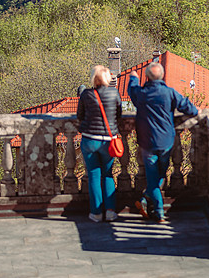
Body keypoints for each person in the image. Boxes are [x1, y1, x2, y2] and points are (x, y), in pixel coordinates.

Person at [128, 62, 198, 222]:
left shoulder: (141, 93)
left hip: (147, 142)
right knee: (160, 175)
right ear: (162, 76)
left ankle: (146, 200)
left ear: (147, 77)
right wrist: (197, 111)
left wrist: (133, 77)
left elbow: (131, 89)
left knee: (155, 176)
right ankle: (159, 211)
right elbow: (187, 106)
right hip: (166, 141)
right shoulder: (169, 93)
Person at [77, 65, 123, 223]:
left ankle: (96, 213)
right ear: (107, 78)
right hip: (108, 141)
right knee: (108, 174)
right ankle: (110, 211)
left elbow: (80, 115)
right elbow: (119, 115)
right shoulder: (114, 93)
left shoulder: (86, 94)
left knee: (94, 176)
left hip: (90, 140)